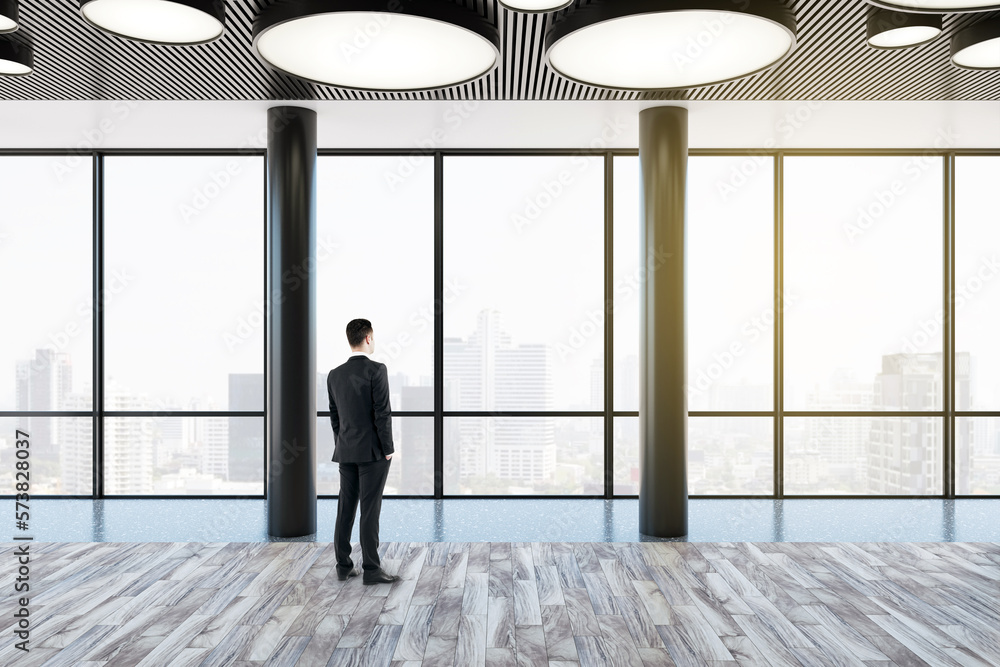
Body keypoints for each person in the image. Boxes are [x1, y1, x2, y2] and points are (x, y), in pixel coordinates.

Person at [327, 319, 400, 585]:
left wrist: (342, 443)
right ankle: (371, 569)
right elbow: (382, 413)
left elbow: (335, 417)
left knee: (345, 507)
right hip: (372, 452)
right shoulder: (377, 369)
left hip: (345, 450)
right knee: (370, 509)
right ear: (368, 338)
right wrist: (388, 448)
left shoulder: (334, 374)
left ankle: (343, 565)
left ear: (350, 339)